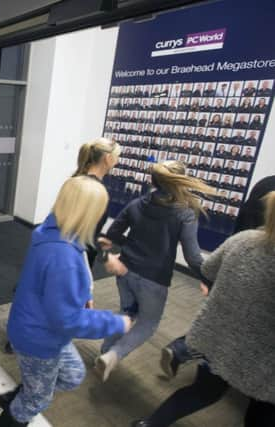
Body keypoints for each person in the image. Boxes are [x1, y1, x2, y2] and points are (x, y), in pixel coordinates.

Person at [0, 176, 132, 427]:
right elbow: (67, 320)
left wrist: (83, 294)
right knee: (35, 402)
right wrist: (115, 323)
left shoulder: (54, 231)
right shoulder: (63, 255)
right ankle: (19, 404)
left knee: (72, 375)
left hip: (35, 325)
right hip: (39, 337)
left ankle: (23, 394)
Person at [131, 192, 275, 427]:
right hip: (263, 362)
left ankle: (148, 424)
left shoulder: (243, 239)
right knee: (263, 414)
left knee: (202, 392)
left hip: (218, 340)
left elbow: (208, 269)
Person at [94, 161, 214, 382]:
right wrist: (209, 279)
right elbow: (192, 257)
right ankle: (113, 355)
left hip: (125, 270)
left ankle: (104, 352)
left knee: (126, 313)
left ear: (153, 180)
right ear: (179, 183)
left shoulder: (137, 204)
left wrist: (131, 245)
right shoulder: (185, 213)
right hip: (154, 280)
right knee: (148, 323)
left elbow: (112, 234)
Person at [71, 138, 121, 268]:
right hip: (78, 254)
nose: (118, 161)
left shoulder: (77, 180)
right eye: (117, 156)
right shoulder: (95, 190)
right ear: (108, 158)